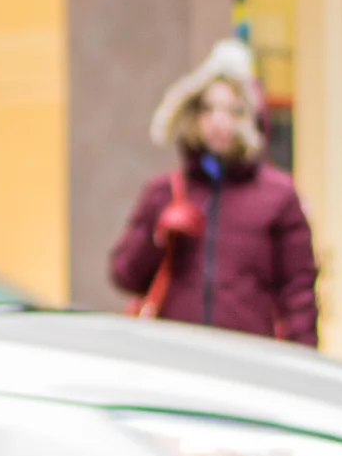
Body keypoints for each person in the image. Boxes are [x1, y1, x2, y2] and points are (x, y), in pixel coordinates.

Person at [107, 39, 318, 343]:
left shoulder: (279, 196)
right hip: (178, 352)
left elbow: (298, 292)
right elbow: (124, 275)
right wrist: (157, 238)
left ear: (250, 118)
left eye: (234, 110)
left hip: (250, 354)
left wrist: (302, 358)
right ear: (192, 115)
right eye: (209, 109)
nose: (220, 122)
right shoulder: (165, 191)